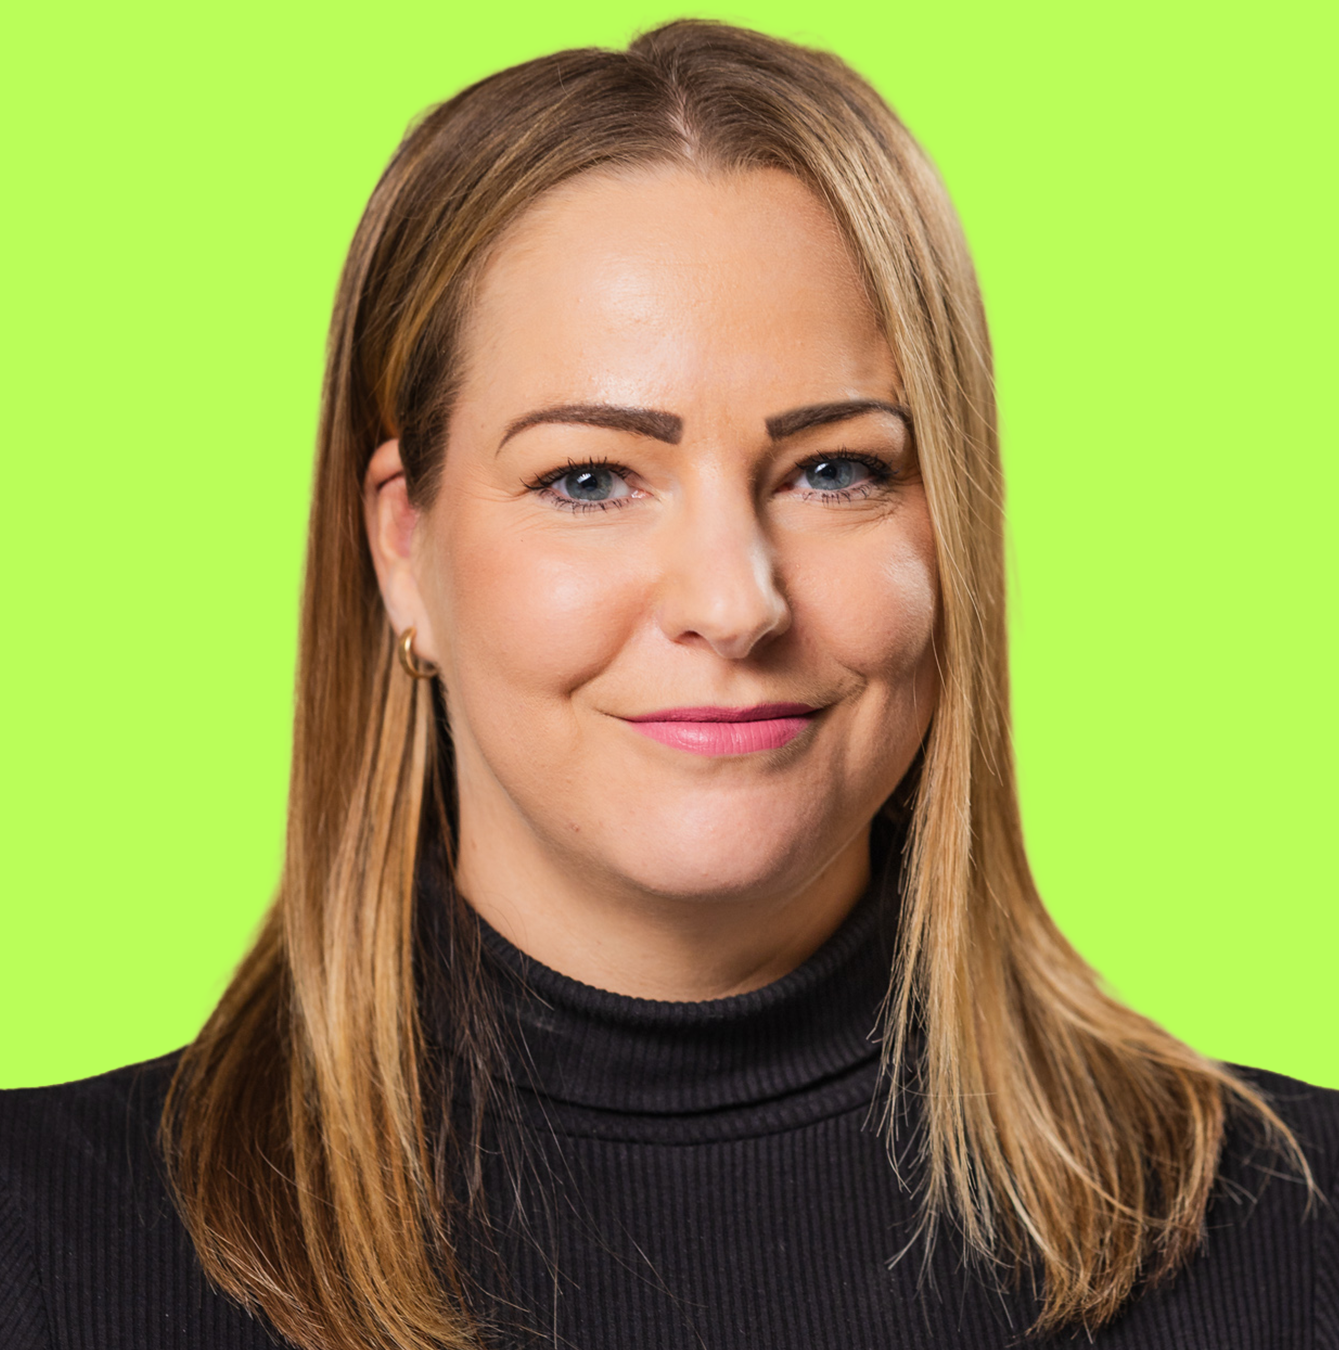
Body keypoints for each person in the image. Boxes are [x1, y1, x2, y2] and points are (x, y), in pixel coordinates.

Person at [1, 19, 1335, 1350]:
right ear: (403, 546)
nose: (734, 603)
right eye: (589, 479)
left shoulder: (1297, 1236)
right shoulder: (41, 1246)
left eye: (836, 470)